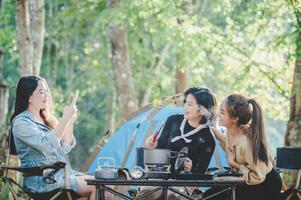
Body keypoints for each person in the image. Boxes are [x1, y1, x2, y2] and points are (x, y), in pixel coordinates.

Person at [10, 76, 98, 200]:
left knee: (106, 183)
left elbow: (65, 147)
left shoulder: (46, 118)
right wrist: (64, 118)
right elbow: (48, 145)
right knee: (98, 186)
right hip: (43, 182)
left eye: (46, 91)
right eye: (41, 92)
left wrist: (70, 121)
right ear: (29, 97)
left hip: (61, 177)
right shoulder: (21, 123)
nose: (46, 95)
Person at [140, 87, 217, 200]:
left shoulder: (208, 138)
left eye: (190, 104)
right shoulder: (173, 120)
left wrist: (190, 169)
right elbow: (160, 149)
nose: (185, 106)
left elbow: (200, 174)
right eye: (185, 102)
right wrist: (154, 146)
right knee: (147, 192)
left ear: (202, 110)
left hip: (186, 182)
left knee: (174, 195)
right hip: (162, 176)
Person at [205, 94, 282, 200]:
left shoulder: (246, 142)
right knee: (208, 195)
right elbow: (226, 142)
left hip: (264, 185)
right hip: (250, 181)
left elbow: (257, 176)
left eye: (222, 112)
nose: (218, 114)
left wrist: (233, 163)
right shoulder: (231, 131)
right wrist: (212, 130)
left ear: (235, 119)